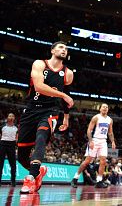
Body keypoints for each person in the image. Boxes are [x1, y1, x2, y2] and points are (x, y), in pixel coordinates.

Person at [18, 41, 74, 194]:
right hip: (30, 110)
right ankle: (39, 171)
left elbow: (67, 97)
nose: (64, 50)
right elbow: (38, 87)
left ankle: (30, 179)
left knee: (41, 137)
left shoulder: (68, 73)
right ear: (52, 50)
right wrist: (63, 94)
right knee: (22, 156)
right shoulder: (39, 64)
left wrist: (66, 117)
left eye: (66, 49)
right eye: (61, 47)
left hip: (50, 111)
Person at [71, 103, 116, 188]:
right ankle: (75, 178)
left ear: (108, 109)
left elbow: (110, 132)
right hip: (95, 140)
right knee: (87, 161)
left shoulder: (110, 120)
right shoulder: (96, 117)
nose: (105, 108)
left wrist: (113, 141)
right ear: (100, 109)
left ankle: (99, 181)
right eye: (103, 107)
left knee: (103, 161)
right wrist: (90, 141)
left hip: (103, 141)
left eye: (107, 107)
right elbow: (89, 130)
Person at [0, 113, 17, 186]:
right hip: (3, 144)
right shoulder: (2, 126)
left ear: (14, 118)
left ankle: (13, 181)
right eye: (9, 116)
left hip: (12, 145)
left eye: (12, 116)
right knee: (0, 164)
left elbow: (17, 137)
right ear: (7, 118)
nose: (11, 117)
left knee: (13, 164)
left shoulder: (16, 128)